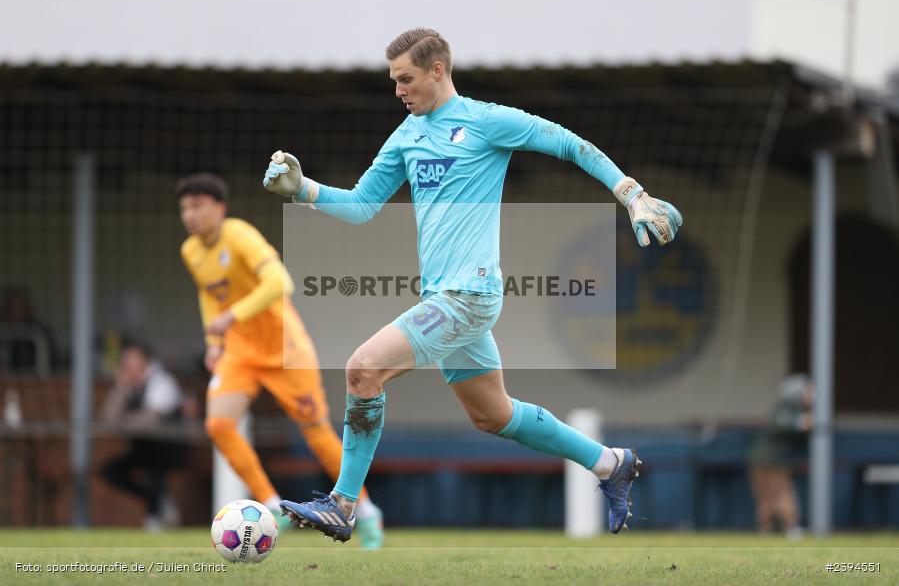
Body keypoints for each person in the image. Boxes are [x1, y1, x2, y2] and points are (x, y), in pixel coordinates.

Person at [264, 28, 682, 542]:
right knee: (493, 415)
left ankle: (344, 504)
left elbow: (570, 144)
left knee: (362, 369)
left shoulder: (486, 121)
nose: (398, 89)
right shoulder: (407, 134)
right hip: (445, 299)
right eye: (394, 80)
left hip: (469, 297)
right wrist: (302, 190)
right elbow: (362, 204)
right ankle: (608, 462)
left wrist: (631, 193)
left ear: (438, 70)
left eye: (406, 78)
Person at [176, 173, 384, 547]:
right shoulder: (191, 251)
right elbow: (209, 296)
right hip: (240, 352)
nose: (190, 215)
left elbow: (280, 283)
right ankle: (271, 506)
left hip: (285, 349)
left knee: (317, 435)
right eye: (184, 208)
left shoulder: (240, 236)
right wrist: (213, 339)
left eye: (198, 206)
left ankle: (365, 511)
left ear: (219, 208)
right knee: (219, 424)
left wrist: (233, 316)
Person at [100, 342, 186, 530]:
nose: (129, 368)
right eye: (126, 364)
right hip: (142, 449)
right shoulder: (128, 386)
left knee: (155, 467)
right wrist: (120, 390)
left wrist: (122, 423)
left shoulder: (162, 381)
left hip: (171, 449)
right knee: (110, 471)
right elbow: (109, 419)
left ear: (145, 362)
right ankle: (156, 501)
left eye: (133, 363)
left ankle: (154, 518)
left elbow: (150, 420)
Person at [748, 374, 814, 537]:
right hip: (769, 459)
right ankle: (789, 527)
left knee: (770, 495)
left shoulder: (794, 407)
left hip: (766, 458)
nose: (811, 394)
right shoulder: (788, 405)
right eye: (808, 391)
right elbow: (781, 422)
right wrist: (801, 422)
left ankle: (767, 529)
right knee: (780, 492)